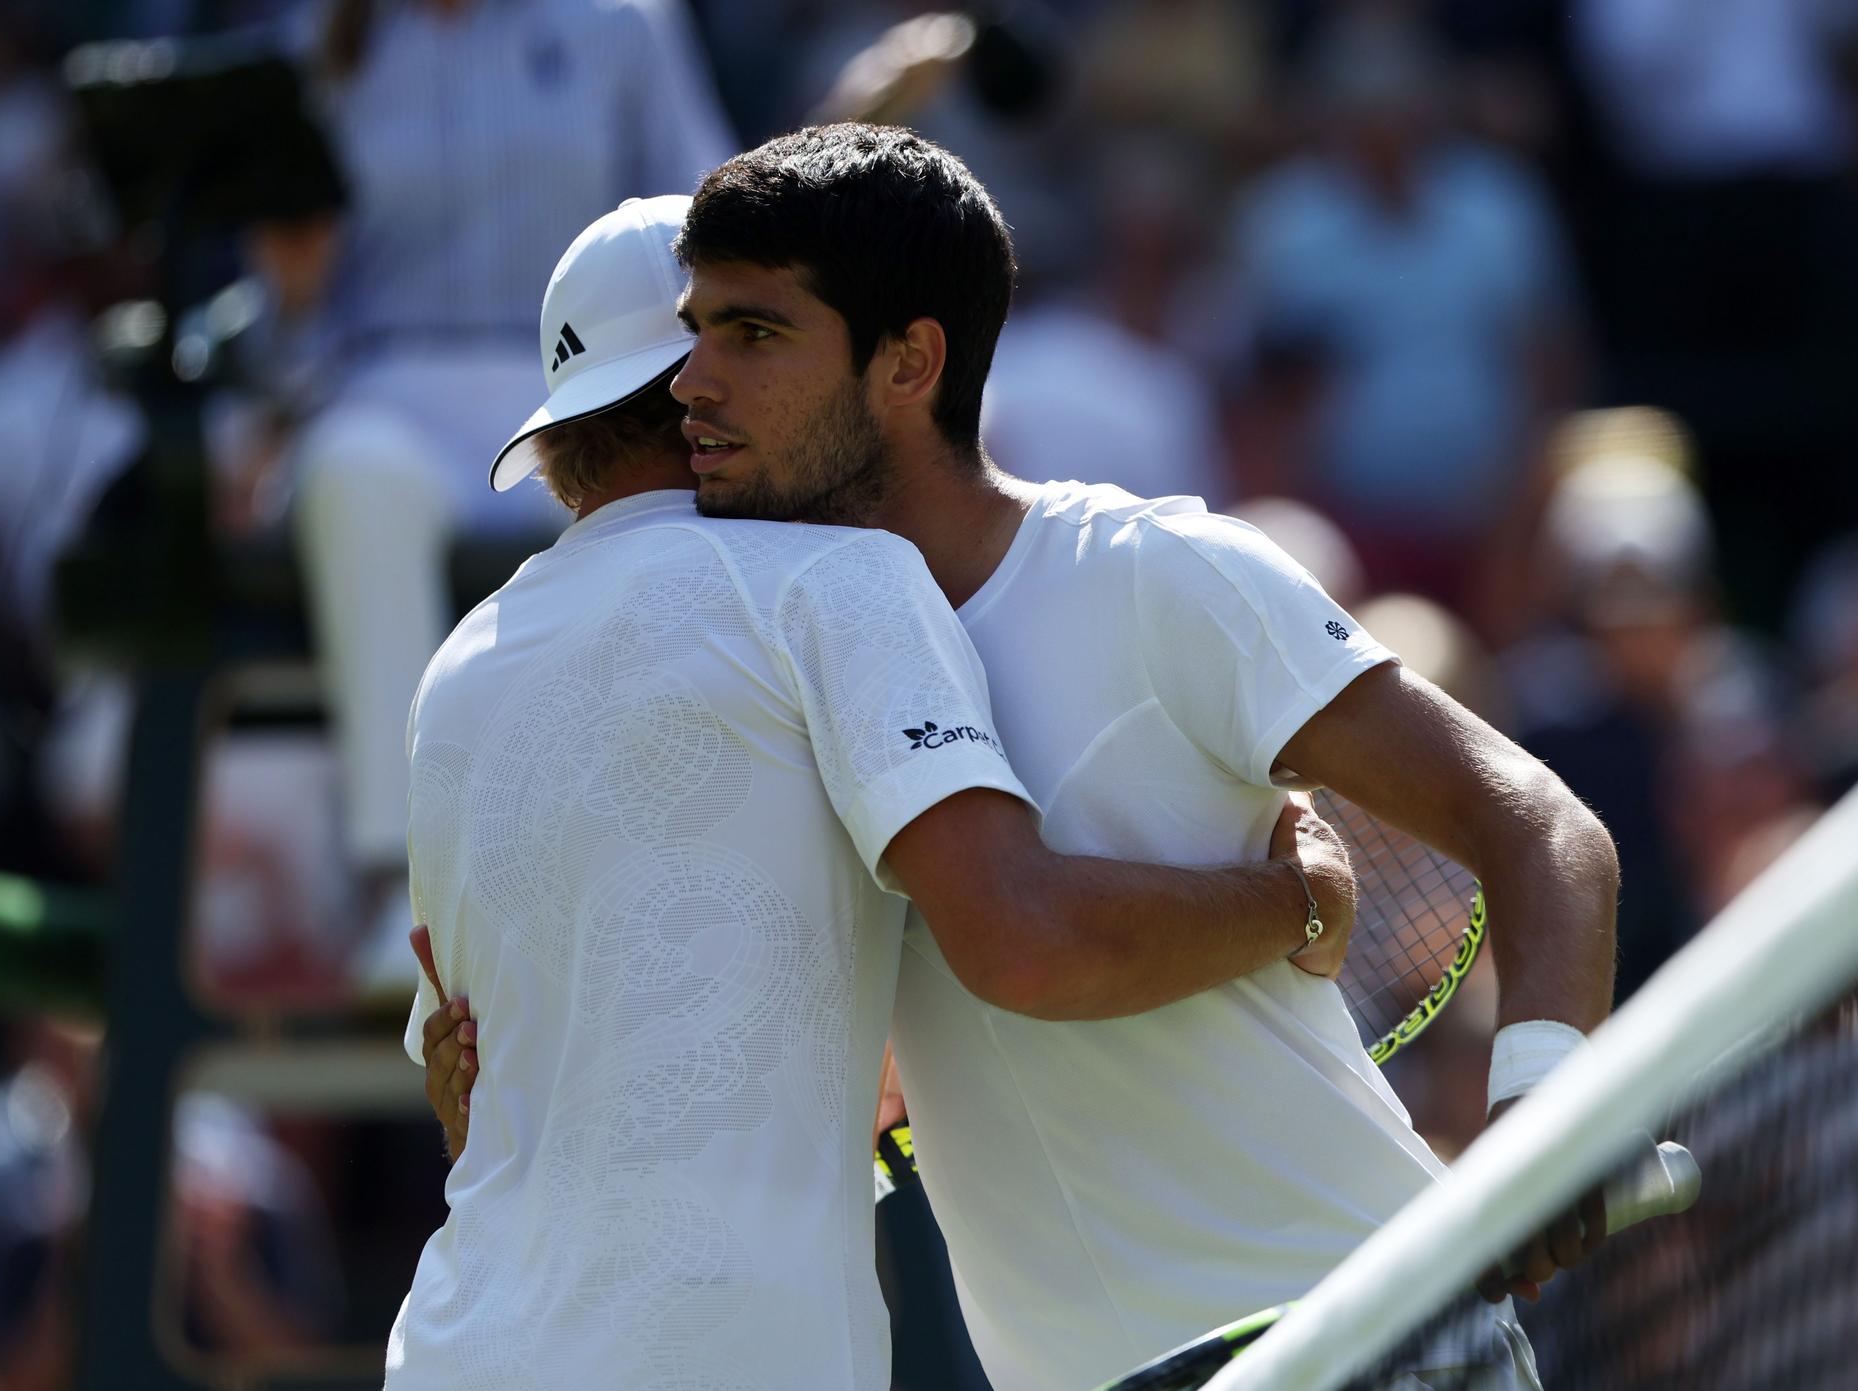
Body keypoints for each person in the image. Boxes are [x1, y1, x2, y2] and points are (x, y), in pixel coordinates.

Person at [429, 128, 1620, 1391]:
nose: (691, 383)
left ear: (909, 361)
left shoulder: (1157, 572)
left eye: (751, 335)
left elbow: (1543, 829)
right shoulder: (779, 676)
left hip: (1366, 1341)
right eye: (693, 331)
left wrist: (1540, 1112)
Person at [257, 0, 735, 992]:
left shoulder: (621, 27)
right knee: (352, 476)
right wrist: (294, 297)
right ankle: (409, 891)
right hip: (380, 395)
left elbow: (706, 228)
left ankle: (643, 883)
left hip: (587, 398)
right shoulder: (312, 48)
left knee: (652, 509)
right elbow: (278, 342)